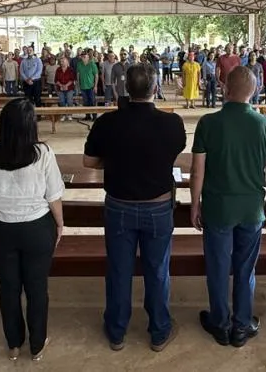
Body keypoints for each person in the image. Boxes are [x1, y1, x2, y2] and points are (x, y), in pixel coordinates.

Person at [83, 64, 186, 352]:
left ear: (124, 88)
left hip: (119, 206)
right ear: (155, 88)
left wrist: (116, 161)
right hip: (158, 206)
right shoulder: (172, 123)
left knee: (118, 270)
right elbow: (171, 154)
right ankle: (159, 330)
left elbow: (89, 162)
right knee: (158, 271)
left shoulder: (106, 122)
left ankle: (116, 331)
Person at [191, 66, 266, 348]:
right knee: (245, 269)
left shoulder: (208, 123)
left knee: (218, 267)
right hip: (252, 208)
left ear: (225, 88)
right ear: (254, 90)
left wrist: (195, 204)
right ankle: (241, 325)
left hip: (218, 208)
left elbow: (197, 171)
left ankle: (220, 323)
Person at [0, 99, 65, 362]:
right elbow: (54, 197)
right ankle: (37, 345)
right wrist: (59, 223)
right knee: (37, 288)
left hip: (0, 229)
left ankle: (13, 343)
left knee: (8, 287)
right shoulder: (43, 153)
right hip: (37, 228)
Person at [76, 51, 99, 120]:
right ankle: (87, 115)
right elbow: (78, 75)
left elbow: (96, 76)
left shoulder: (92, 64)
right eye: (82, 57)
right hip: (83, 86)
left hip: (91, 86)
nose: (83, 58)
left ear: (88, 57)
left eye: (84, 57)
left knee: (92, 101)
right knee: (85, 102)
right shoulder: (79, 64)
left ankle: (94, 116)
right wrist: (78, 84)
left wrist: (95, 86)